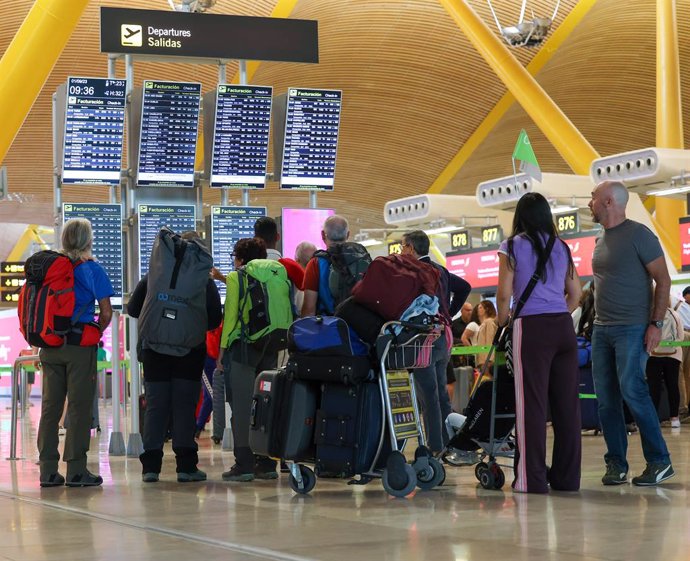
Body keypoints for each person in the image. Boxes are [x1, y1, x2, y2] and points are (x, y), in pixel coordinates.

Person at [589, 180, 674, 486]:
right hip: (602, 329)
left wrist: (655, 324)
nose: (590, 203)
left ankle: (660, 461)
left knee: (633, 391)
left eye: (593, 198)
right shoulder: (601, 239)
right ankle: (616, 463)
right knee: (606, 400)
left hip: (633, 328)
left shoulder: (640, 235)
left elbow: (663, 281)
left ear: (609, 202)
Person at [496, 192, 582, 493]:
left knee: (531, 405)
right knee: (567, 407)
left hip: (531, 329)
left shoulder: (511, 246)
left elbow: (504, 293)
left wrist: (504, 319)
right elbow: (576, 293)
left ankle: (530, 480)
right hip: (562, 328)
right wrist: (559, 311)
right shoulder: (561, 246)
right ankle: (567, 479)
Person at [128, 230, 222, 483]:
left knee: (156, 406)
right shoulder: (204, 280)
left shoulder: (155, 275)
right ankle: (186, 467)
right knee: (184, 406)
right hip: (189, 351)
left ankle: (150, 468)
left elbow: (133, 308)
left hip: (154, 349)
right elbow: (215, 318)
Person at [37, 218, 113, 487]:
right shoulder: (91, 269)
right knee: (79, 408)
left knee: (50, 407)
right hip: (79, 346)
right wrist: (97, 332)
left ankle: (47, 470)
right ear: (88, 240)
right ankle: (77, 470)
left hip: (49, 345)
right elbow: (106, 311)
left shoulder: (49, 267)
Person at [216, 238, 293, 482]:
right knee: (265, 402)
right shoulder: (276, 272)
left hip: (243, 346)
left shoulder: (236, 277)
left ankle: (244, 464)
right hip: (271, 344)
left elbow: (230, 318)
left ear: (239, 259)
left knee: (241, 405)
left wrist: (222, 350)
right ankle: (266, 462)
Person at [401, 230, 471, 455]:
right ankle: (450, 442)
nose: (402, 252)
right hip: (443, 338)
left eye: (403, 247)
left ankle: (435, 448)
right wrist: (448, 314)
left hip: (424, 339)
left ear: (411, 248)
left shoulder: (413, 272)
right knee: (440, 393)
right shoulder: (440, 270)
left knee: (428, 393)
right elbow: (465, 287)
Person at [301, 215, 350, 317]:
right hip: (359, 328)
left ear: (323, 235)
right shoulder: (361, 259)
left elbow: (309, 310)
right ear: (348, 235)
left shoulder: (316, 263)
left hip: (329, 327)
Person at [646, 303, 683, 429]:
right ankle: (675, 418)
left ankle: (653, 418)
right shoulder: (675, 314)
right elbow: (681, 336)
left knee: (653, 387)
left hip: (653, 353)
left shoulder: (648, 315)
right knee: (672, 385)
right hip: (673, 354)